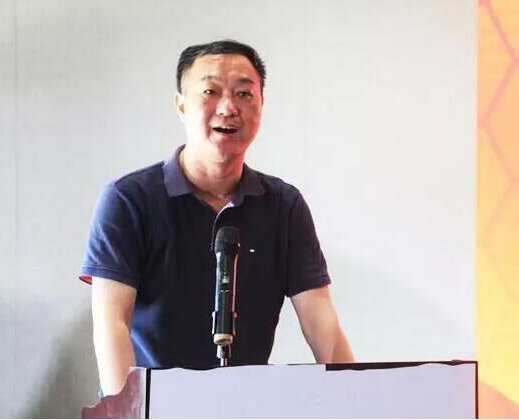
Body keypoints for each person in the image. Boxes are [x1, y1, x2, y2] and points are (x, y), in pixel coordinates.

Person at [80, 39, 354, 396]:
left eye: (244, 94)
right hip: (156, 406)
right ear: (181, 105)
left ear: (261, 106)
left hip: (248, 404)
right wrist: (127, 408)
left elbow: (322, 324)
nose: (228, 107)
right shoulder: (128, 199)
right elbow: (111, 323)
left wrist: (355, 399)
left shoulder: (283, 205)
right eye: (210, 91)